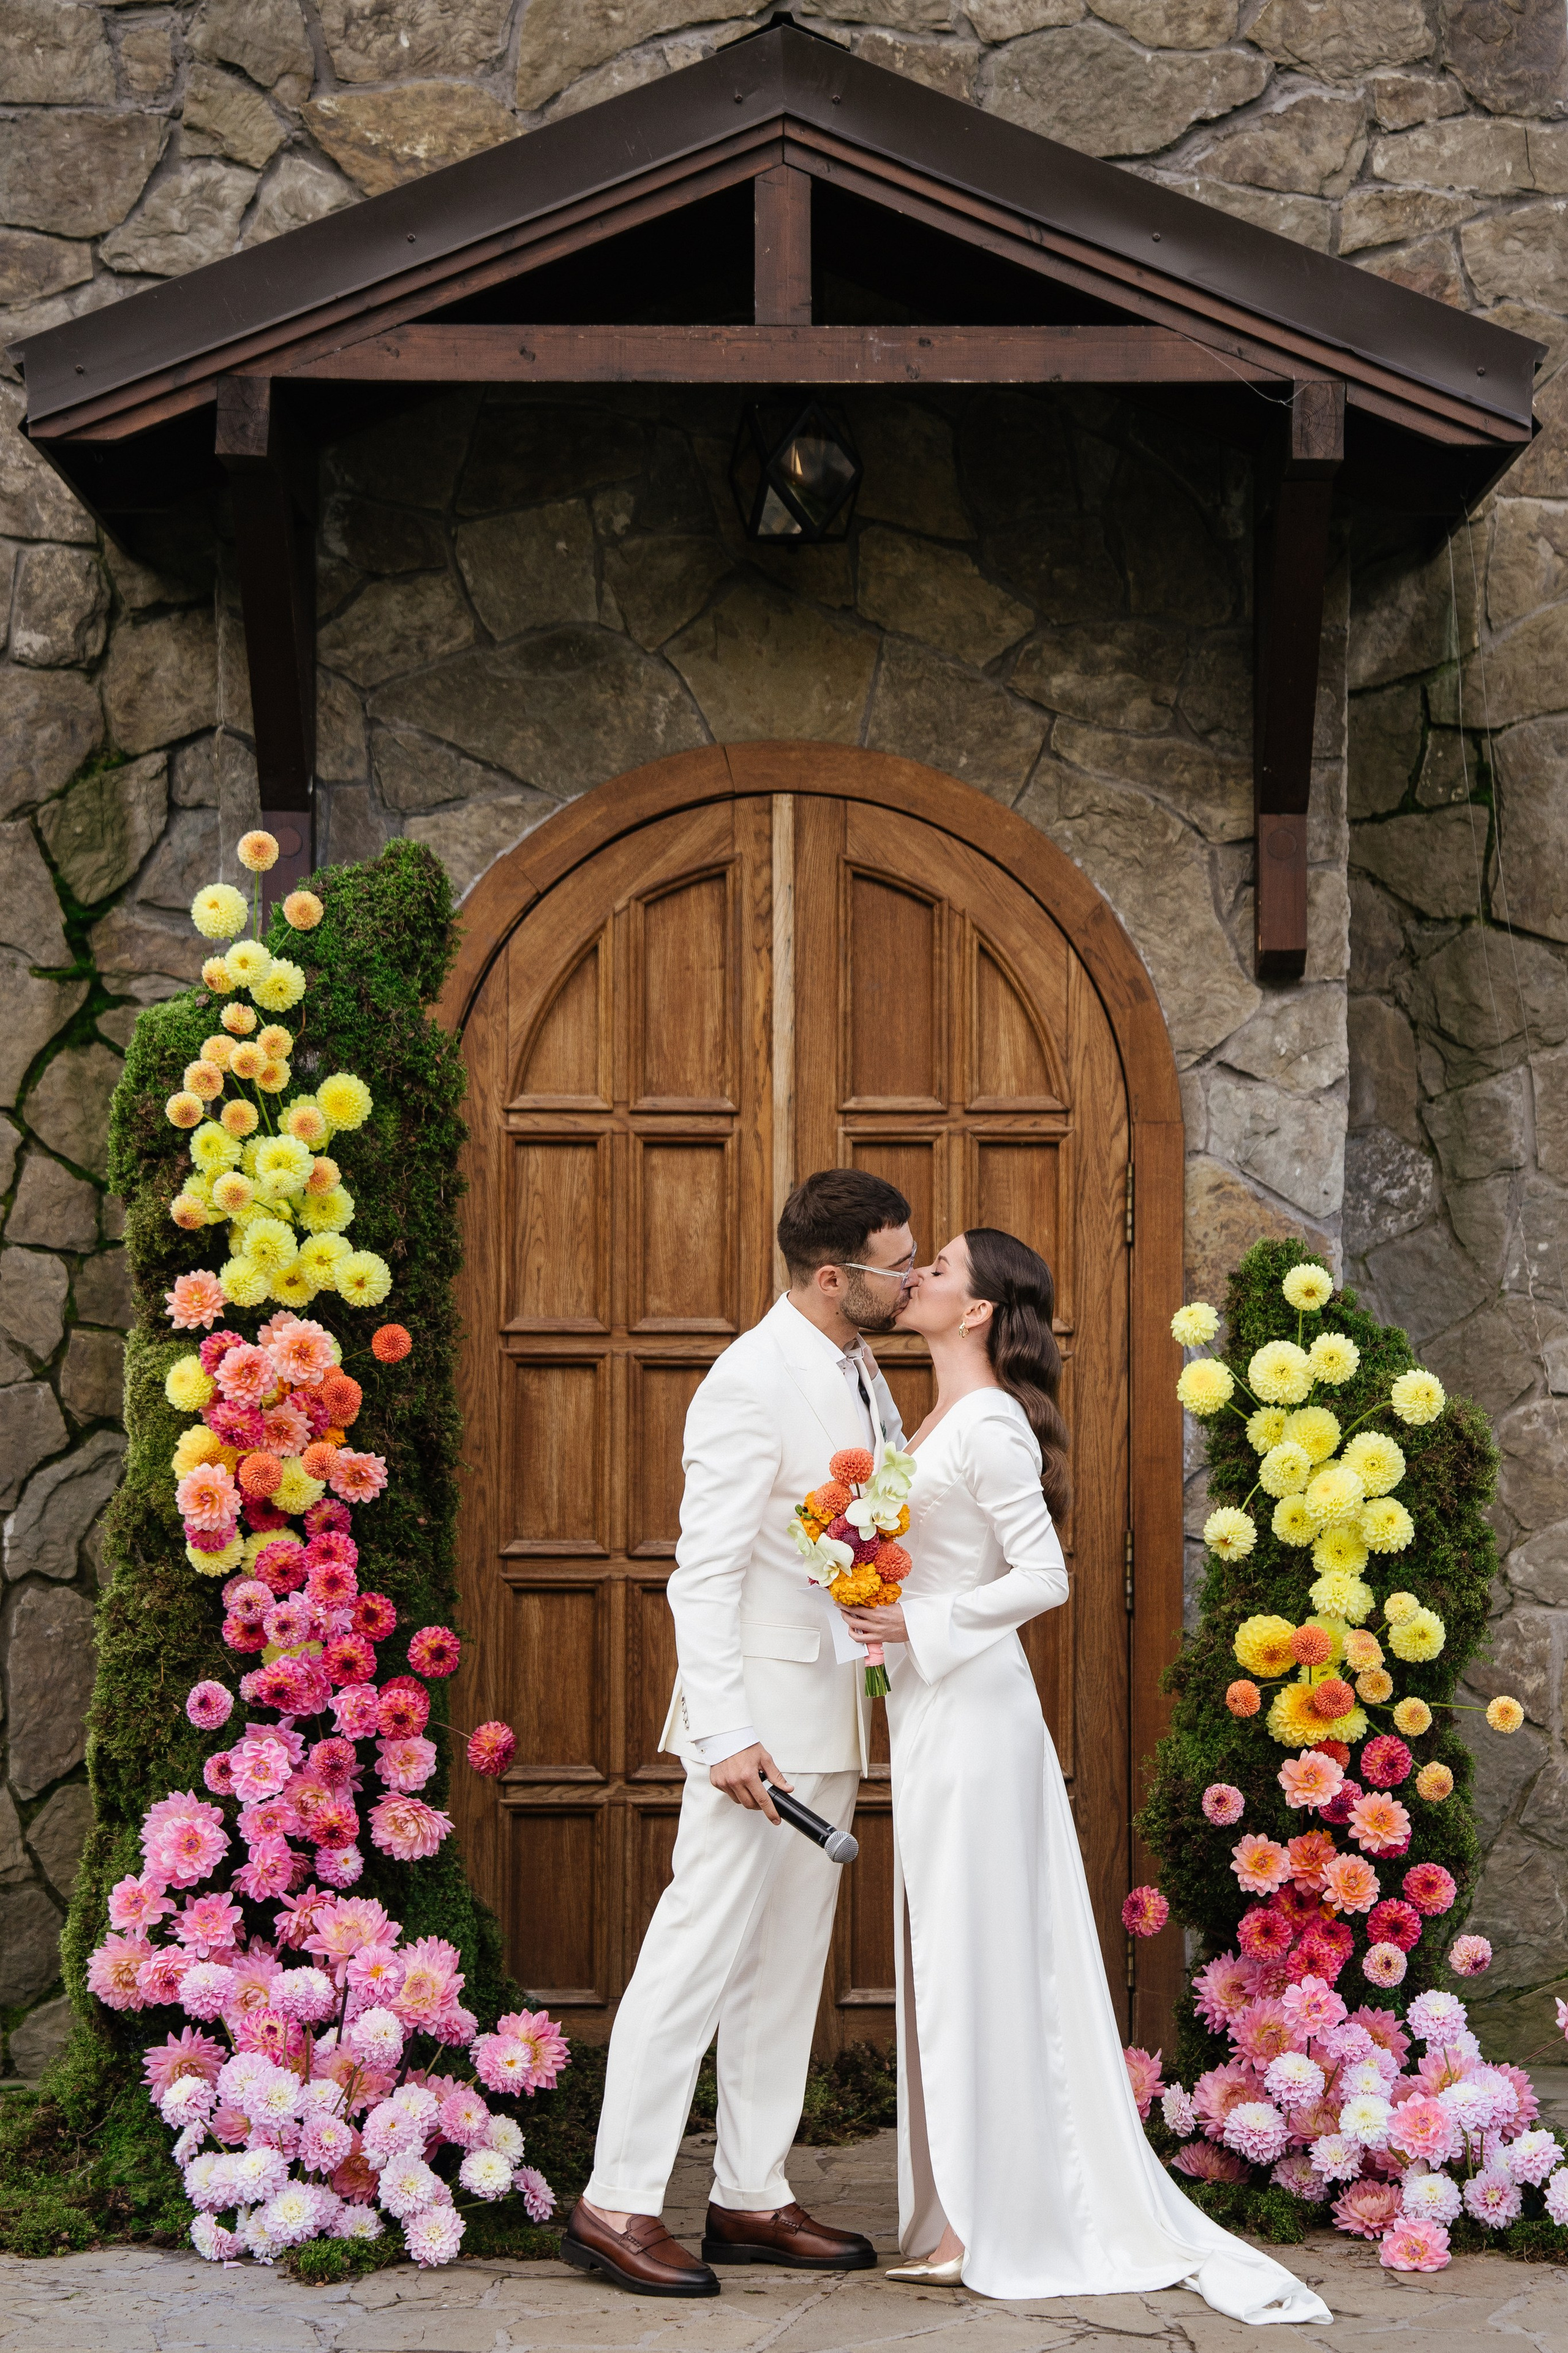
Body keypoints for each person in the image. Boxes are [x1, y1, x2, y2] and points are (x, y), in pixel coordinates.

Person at [840, 1229, 1332, 2326]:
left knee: (979, 1947)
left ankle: (988, 2218)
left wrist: (916, 1620)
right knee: (947, 1944)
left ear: (975, 1311)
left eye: (939, 1269)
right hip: (929, 1707)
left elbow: (1046, 1576)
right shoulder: (926, 1418)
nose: (916, 1276)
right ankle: (961, 2205)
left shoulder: (991, 1427)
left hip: (978, 1717)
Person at [562, 1168, 917, 2297]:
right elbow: (700, 1574)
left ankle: (751, 2193)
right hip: (752, 1732)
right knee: (694, 1955)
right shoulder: (747, 1382)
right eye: (895, 1264)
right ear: (833, 1275)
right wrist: (721, 1731)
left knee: (785, 1965)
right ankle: (616, 2199)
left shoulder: (863, 1370)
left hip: (830, 1712)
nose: (909, 1278)